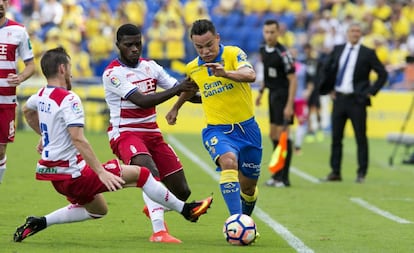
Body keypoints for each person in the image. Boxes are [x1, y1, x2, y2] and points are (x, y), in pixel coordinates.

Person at [13, 47, 212, 243]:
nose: (72, 73)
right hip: (74, 173)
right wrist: (101, 172)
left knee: (98, 210)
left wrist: (46, 136)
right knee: (142, 174)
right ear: (63, 69)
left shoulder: (40, 95)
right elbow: (78, 139)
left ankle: (40, 222)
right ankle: (187, 210)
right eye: (71, 68)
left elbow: (27, 111)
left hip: (55, 176)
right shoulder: (69, 98)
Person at [102, 24, 201, 243]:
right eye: (129, 45)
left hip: (152, 134)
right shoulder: (112, 74)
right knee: (148, 170)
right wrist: (179, 89)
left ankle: (154, 206)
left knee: (182, 191)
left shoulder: (151, 67)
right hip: (126, 133)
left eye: (138, 43)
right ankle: (159, 232)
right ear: (118, 45)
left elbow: (186, 92)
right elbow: (142, 100)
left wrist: (211, 92)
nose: (135, 49)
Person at [166, 19, 262, 221]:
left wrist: (225, 73)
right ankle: (235, 220)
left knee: (248, 187)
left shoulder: (233, 54)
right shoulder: (193, 67)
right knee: (228, 162)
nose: (205, 51)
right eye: (199, 47)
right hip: (217, 130)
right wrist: (176, 107)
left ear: (217, 38)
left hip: (248, 129)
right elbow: (191, 87)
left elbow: (251, 74)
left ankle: (244, 220)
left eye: (209, 45)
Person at [319, 22, 388, 183]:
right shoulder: (338, 49)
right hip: (339, 99)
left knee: (360, 137)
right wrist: (329, 88)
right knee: (336, 137)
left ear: (361, 34)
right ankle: (335, 171)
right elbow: (327, 69)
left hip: (357, 100)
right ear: (347, 33)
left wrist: (371, 91)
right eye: (352, 31)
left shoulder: (368, 53)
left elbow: (382, 74)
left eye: (358, 31)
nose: (355, 34)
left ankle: (361, 173)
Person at [255, 19, 297, 188]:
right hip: (272, 95)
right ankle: (277, 174)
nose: (269, 35)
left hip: (283, 96)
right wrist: (260, 93)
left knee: (283, 137)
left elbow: (293, 80)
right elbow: (266, 74)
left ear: (278, 33)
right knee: (273, 136)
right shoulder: (263, 50)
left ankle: (284, 178)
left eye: (272, 32)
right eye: (266, 32)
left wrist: (289, 105)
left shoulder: (284, 53)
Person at [0, 0, 35, 183]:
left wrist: (21, 77)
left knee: (1, 149)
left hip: (6, 100)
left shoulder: (19, 31)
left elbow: (31, 65)